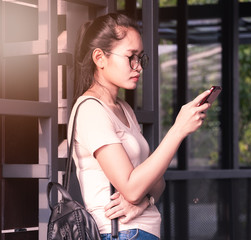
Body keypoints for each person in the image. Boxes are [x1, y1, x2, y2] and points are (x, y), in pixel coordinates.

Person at [69, 13, 211, 240]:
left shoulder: (124, 109)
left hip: (139, 232)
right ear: (100, 58)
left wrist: (144, 202)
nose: (138, 67)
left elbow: (157, 182)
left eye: (140, 58)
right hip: (120, 233)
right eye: (130, 57)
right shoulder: (90, 110)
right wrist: (178, 129)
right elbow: (133, 188)